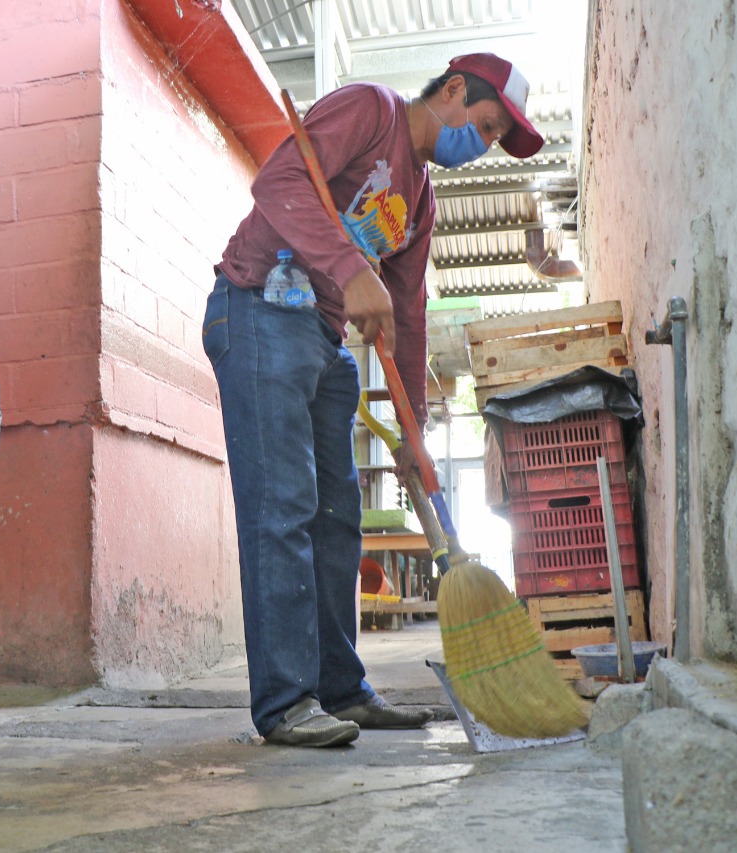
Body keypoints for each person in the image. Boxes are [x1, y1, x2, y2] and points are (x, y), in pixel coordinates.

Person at [202, 53, 544, 747]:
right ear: (452, 91)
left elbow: (407, 315)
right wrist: (354, 269)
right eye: (482, 128)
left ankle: (342, 688)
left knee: (337, 517)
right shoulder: (371, 109)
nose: (479, 150)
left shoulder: (421, 199)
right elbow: (279, 181)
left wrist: (415, 431)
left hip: (322, 337)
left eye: (492, 143)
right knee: (284, 507)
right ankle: (286, 700)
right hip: (259, 304)